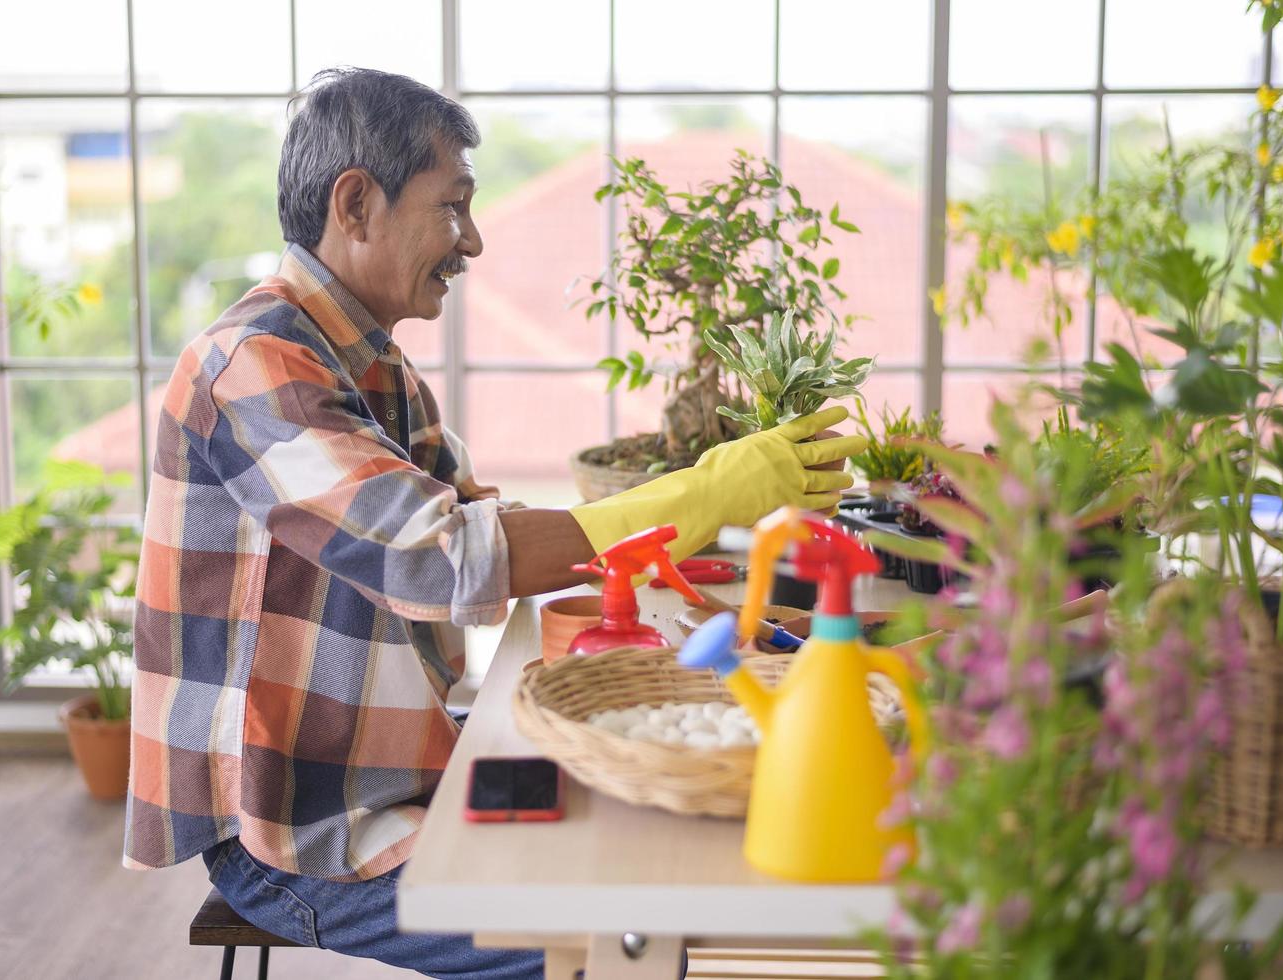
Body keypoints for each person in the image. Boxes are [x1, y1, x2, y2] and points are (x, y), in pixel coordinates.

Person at [124, 66, 864, 979]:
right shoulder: (253, 367)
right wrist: (706, 490)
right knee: (627, 938)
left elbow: (485, 528)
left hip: (389, 770)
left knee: (656, 858)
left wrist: (725, 572)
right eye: (453, 206)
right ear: (355, 203)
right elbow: (447, 561)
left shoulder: (377, 369)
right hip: (298, 833)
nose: (470, 241)